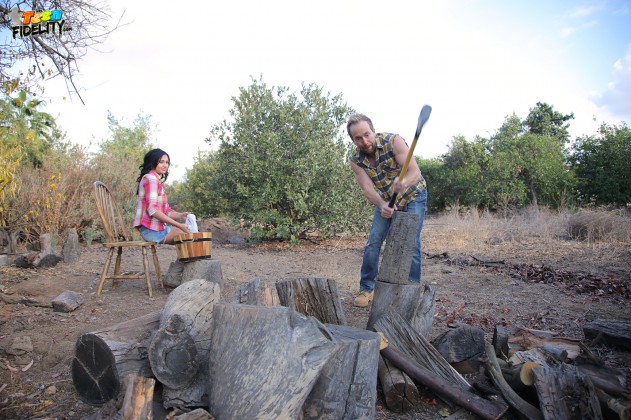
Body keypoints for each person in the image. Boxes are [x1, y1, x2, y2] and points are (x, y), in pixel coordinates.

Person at [347, 113, 428, 307]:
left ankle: (410, 292)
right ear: (353, 140)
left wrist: (404, 182)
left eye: (367, 134)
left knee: (411, 243)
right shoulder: (355, 159)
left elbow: (415, 172)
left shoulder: (394, 141)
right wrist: (382, 205)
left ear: (373, 131)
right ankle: (366, 289)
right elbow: (367, 189)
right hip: (385, 200)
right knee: (373, 242)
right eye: (358, 138)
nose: (364, 141)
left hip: (413, 195)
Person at [134, 148, 190, 244]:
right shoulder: (151, 179)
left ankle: (184, 255)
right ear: (152, 162)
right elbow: (153, 210)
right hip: (151, 231)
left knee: (188, 234)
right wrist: (179, 225)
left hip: (156, 229)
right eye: (161, 162)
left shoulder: (154, 179)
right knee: (189, 236)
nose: (165, 165)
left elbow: (165, 211)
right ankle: (187, 255)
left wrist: (180, 215)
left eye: (167, 162)